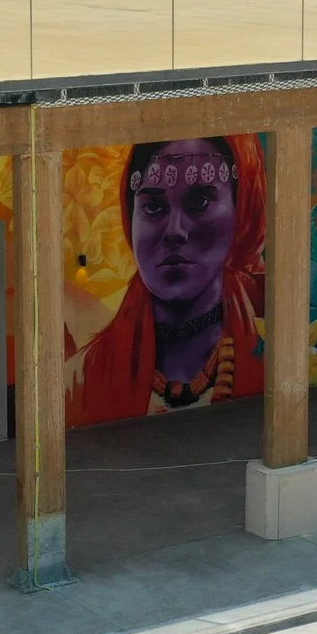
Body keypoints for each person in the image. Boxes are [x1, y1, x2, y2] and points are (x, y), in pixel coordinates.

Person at [66, 135, 267, 422]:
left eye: (199, 201)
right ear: (129, 217)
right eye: (153, 208)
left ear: (242, 208)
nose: (175, 231)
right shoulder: (81, 382)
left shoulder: (280, 335)